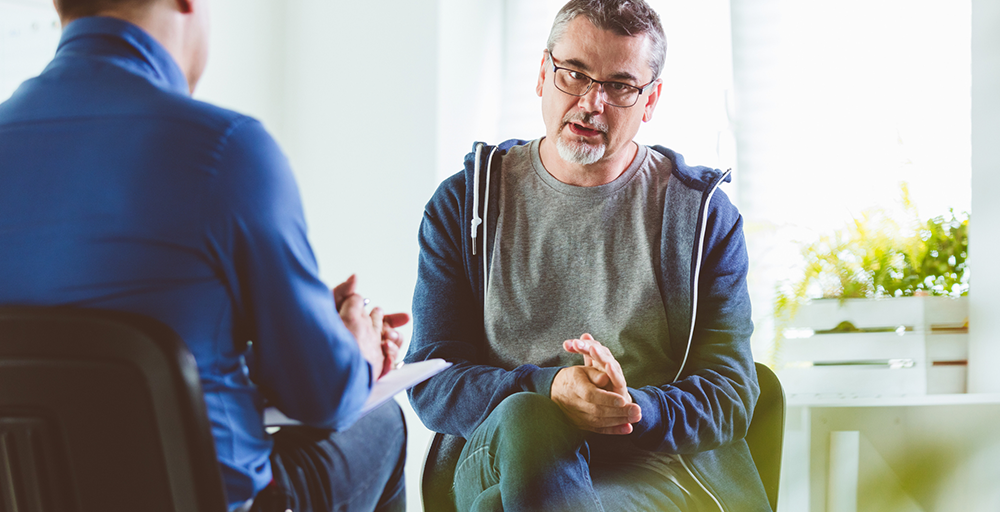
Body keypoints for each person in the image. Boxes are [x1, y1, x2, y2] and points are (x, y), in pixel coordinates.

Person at [0, 0, 407, 511]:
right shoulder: (226, 150)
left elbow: (74, 353)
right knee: (382, 421)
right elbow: (323, 396)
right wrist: (360, 350)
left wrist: (279, 323)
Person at [405, 0, 770, 510]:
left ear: (650, 100)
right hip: (499, 450)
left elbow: (731, 395)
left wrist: (629, 408)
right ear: (541, 75)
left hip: (647, 468)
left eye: (619, 85)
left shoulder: (701, 216)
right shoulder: (465, 205)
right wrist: (550, 388)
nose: (591, 102)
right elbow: (432, 376)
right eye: (573, 74)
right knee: (529, 419)